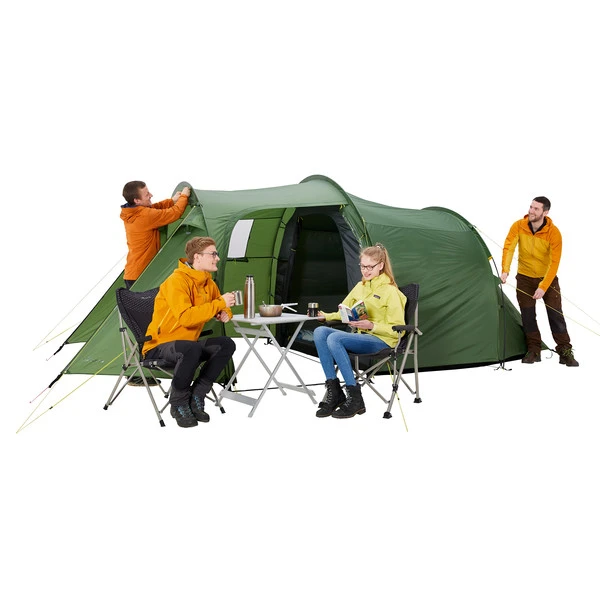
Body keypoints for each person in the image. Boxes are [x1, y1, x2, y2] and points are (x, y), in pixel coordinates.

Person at [142, 237, 237, 428]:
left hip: (188, 347)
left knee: (226, 344)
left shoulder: (208, 283)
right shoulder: (176, 281)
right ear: (197, 257)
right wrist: (219, 304)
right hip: (159, 346)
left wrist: (225, 312)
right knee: (191, 349)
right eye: (213, 254)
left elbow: (220, 304)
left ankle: (197, 395)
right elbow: (186, 317)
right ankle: (178, 403)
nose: (217, 258)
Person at [312, 243, 407, 419]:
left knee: (335, 338)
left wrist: (372, 326)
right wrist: (326, 316)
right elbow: (344, 311)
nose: (366, 270)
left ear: (380, 265)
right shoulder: (360, 286)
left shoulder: (390, 291)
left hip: (383, 341)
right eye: (363, 266)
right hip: (361, 337)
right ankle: (335, 393)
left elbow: (398, 330)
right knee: (320, 332)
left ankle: (355, 398)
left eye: (370, 266)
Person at [501, 196, 579, 366]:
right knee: (528, 316)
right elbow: (509, 247)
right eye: (531, 207)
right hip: (524, 278)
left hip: (547, 280)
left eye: (536, 209)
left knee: (555, 316)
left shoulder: (554, 233)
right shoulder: (518, 226)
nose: (531, 211)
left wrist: (543, 286)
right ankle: (534, 350)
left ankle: (565, 351)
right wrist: (505, 271)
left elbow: (554, 263)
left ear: (545, 212)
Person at [120, 181, 190, 289]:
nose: (151, 195)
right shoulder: (144, 216)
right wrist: (184, 196)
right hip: (141, 276)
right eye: (147, 194)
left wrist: (172, 201)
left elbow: (153, 208)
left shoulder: (132, 212)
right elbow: (174, 213)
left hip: (134, 273)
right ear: (137, 200)